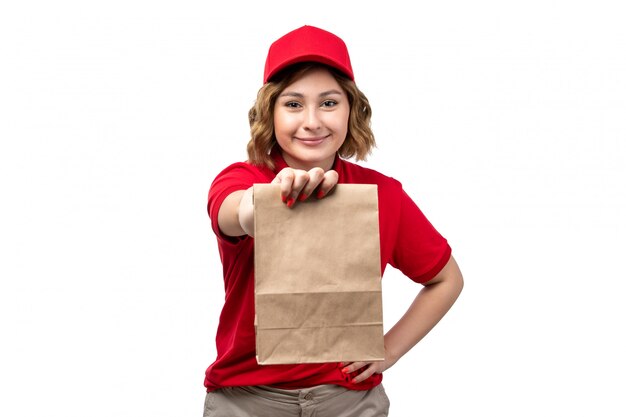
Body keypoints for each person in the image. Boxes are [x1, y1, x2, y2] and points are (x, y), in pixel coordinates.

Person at [204, 24, 464, 417]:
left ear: (352, 110)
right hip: (247, 400)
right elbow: (236, 213)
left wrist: (389, 350)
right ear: (268, 111)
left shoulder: (384, 194)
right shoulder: (243, 179)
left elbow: (446, 279)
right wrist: (268, 203)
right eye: (293, 104)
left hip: (349, 401)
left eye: (329, 103)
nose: (312, 121)